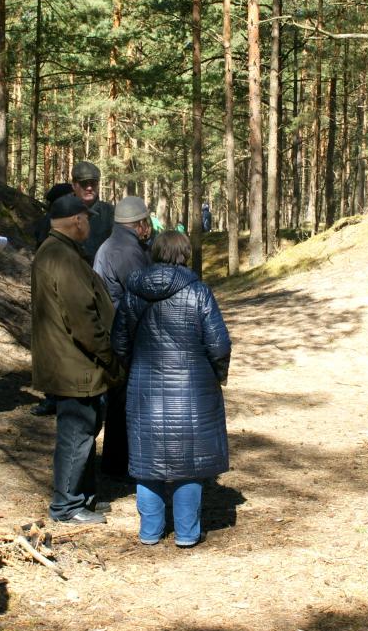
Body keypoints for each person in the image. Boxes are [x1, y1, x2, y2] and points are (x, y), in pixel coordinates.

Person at [112, 231, 232, 548]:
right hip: (193, 388)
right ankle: (187, 533)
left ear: (154, 253)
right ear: (184, 255)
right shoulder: (198, 292)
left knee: (146, 460)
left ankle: (150, 531)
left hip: (143, 388)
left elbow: (119, 342)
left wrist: (134, 367)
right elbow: (219, 344)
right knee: (189, 463)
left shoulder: (132, 291)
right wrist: (218, 375)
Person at [32, 194, 122, 524]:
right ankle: (66, 507)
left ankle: (81, 499)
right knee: (76, 436)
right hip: (75, 365)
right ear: (77, 222)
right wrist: (108, 356)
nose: (90, 223)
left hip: (73, 362)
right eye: (87, 218)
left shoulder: (60, 252)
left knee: (83, 433)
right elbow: (82, 320)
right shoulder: (61, 257)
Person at [92, 195, 153, 479]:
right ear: (139, 224)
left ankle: (118, 463)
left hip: (117, 330)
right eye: (147, 222)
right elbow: (144, 291)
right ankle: (118, 465)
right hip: (123, 334)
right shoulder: (125, 250)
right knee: (123, 401)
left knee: (121, 400)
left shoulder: (117, 243)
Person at [30, 181, 76, 418]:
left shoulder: (67, 222)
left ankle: (61, 395)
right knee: (52, 345)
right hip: (51, 291)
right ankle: (53, 397)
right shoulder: (47, 225)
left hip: (62, 289)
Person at [70, 160, 115, 263]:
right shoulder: (60, 213)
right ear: (74, 185)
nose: (89, 188)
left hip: (100, 276)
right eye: (84, 183)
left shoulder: (110, 213)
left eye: (93, 183)